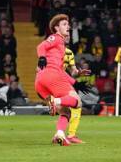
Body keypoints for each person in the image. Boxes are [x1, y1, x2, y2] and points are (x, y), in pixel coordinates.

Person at [34, 14, 85, 146]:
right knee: (77, 102)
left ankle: (60, 134)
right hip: (51, 76)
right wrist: (41, 57)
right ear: (56, 28)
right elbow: (40, 46)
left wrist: (75, 83)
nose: (67, 26)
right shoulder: (56, 38)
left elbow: (62, 71)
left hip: (40, 82)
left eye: (68, 24)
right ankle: (55, 101)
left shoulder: (61, 47)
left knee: (65, 111)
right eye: (64, 24)